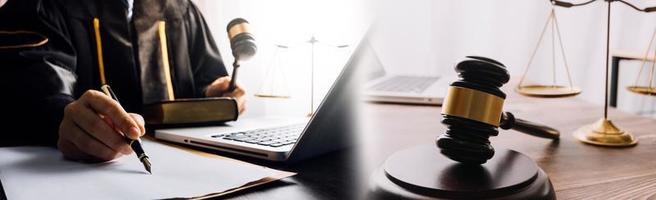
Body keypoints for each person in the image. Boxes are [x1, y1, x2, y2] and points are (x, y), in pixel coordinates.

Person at [1, 0, 245, 162]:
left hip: (186, 161)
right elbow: (30, 88)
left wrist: (216, 91)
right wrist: (63, 118)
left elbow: (208, 76)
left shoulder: (180, 8)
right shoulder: (44, 4)